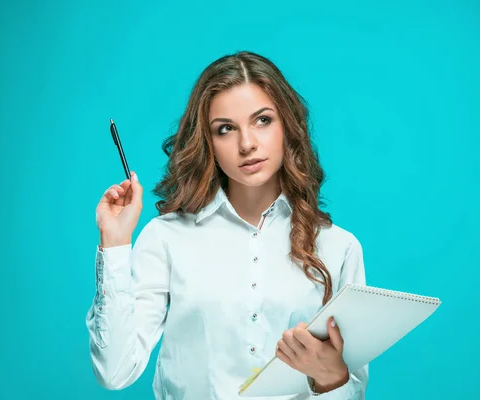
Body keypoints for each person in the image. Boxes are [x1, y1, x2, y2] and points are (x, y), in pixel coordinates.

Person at [85, 50, 369, 400]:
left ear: (288, 126)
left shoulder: (339, 248)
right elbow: (114, 371)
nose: (247, 144)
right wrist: (114, 244)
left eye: (263, 120)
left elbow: (353, 390)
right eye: (225, 129)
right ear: (209, 142)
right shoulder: (167, 238)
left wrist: (331, 378)